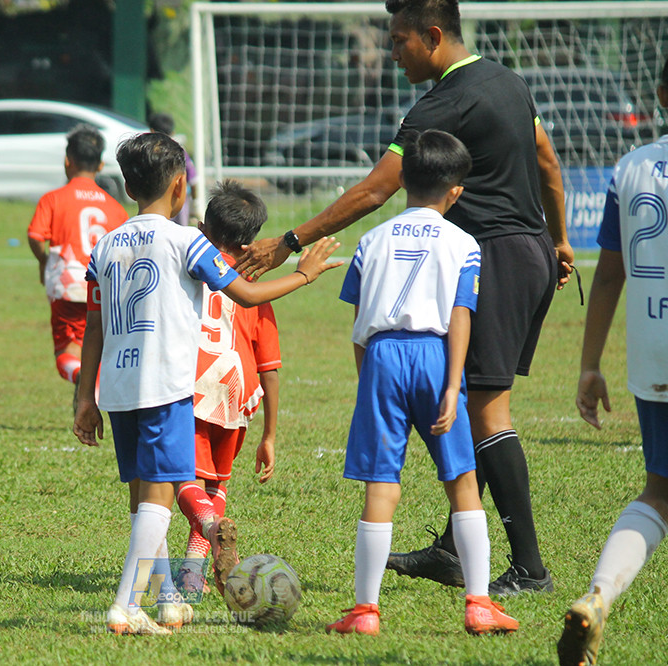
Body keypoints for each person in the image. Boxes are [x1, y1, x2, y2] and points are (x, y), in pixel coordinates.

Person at [235, 0, 574, 596]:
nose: (393, 53)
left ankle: (530, 569)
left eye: (399, 41)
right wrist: (559, 240)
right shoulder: (510, 82)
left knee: (487, 413)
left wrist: (289, 242)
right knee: (476, 406)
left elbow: (375, 191)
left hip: (492, 257)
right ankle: (452, 550)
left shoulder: (441, 104)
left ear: (433, 35)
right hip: (529, 251)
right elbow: (547, 160)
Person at [72, 132, 339, 635]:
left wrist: (84, 397)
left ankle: (168, 600)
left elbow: (95, 324)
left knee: (143, 499)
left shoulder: (105, 246)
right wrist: (305, 274)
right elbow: (246, 294)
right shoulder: (185, 241)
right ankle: (126, 606)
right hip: (166, 387)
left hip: (120, 387)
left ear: (128, 187)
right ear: (180, 187)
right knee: (159, 498)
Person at [329, 129, 517, 636]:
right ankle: (479, 604)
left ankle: (365, 611)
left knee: (380, 484)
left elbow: (358, 322)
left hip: (381, 357)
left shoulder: (371, 241)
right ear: (456, 192)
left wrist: (369, 380)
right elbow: (460, 315)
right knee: (462, 482)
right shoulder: (462, 243)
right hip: (435, 357)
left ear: (403, 181)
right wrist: (453, 385)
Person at [557, 59, 668, 666]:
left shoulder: (631, 168)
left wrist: (589, 363)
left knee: (658, 494)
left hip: (654, 352)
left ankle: (599, 595)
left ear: (661, 95)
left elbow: (608, 275)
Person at [173, 180, 283, 596]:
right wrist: (270, 434)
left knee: (183, 479)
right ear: (250, 242)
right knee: (216, 485)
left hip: (194, 386)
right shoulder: (254, 285)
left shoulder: (188, 267)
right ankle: (192, 575)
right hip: (238, 393)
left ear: (203, 229)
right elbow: (269, 366)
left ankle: (211, 527)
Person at [27, 125, 128, 400]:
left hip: (68, 283)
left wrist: (43, 261)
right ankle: (92, 392)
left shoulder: (53, 199)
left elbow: (35, 236)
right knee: (99, 345)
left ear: (67, 161)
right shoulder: (115, 207)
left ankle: (80, 377)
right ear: (101, 165)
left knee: (66, 352)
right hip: (104, 285)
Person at [148, 112, 198, 226]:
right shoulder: (180, 152)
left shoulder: (148, 154)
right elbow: (193, 180)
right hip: (179, 200)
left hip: (154, 203)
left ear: (151, 131)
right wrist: (194, 204)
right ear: (173, 133)